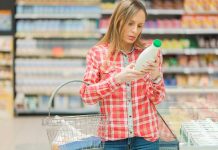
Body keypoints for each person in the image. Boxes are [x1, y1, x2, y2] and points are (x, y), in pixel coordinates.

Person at [80, 0, 165, 149]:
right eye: (130, 24)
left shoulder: (149, 53)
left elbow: (157, 99)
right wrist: (117, 79)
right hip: (112, 140)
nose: (135, 31)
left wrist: (155, 76)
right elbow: (87, 95)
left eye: (139, 26)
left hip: (146, 138)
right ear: (118, 21)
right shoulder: (98, 53)